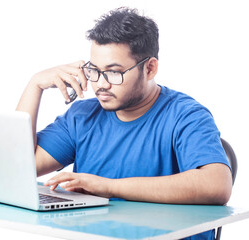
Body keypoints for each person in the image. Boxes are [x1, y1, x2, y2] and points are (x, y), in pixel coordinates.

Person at [16, 7, 232, 240]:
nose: (101, 84)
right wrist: (35, 85)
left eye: (114, 72)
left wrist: (107, 187)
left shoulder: (186, 115)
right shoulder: (82, 116)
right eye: (94, 71)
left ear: (150, 68)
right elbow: (18, 167)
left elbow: (217, 185)